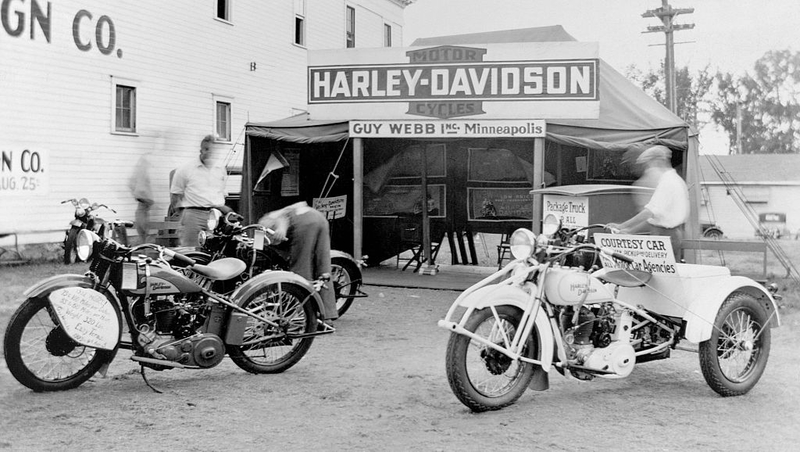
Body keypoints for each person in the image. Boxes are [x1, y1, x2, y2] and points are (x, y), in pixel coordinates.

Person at [258, 202, 338, 321]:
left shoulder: (262, 224)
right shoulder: (275, 213)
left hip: (304, 223)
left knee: (301, 269)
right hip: (318, 218)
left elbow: (281, 221)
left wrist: (281, 228)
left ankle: (303, 313)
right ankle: (327, 315)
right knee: (323, 265)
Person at [608, 145, 689, 259]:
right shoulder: (674, 180)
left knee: (662, 275)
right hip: (668, 234)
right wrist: (629, 230)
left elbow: (649, 212)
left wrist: (622, 226)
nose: (648, 168)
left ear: (657, 161)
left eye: (648, 164)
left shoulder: (668, 182)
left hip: (666, 235)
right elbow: (655, 216)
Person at [170, 135, 228, 247]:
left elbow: (222, 192)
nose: (209, 153)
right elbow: (175, 195)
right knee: (191, 250)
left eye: (212, 150)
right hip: (193, 215)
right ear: (200, 150)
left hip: (215, 216)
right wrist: (184, 216)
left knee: (215, 249)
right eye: (206, 149)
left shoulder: (220, 168)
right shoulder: (185, 169)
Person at [129, 153, 155, 244]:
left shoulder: (141, 172)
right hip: (143, 204)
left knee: (144, 230)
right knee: (144, 230)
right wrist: (142, 196)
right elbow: (138, 188)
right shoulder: (141, 172)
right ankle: (145, 247)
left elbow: (131, 184)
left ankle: (144, 245)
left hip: (144, 205)